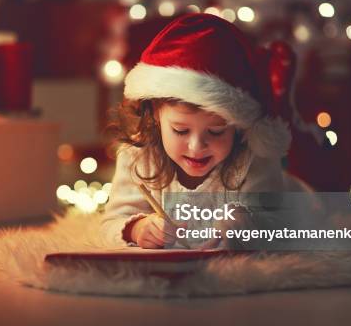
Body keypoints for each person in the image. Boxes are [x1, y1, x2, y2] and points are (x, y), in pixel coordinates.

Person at [102, 13, 309, 249]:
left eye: (216, 132)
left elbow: (279, 224)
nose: (196, 146)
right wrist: (137, 229)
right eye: (180, 131)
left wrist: (249, 225)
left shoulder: (254, 156)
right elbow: (110, 222)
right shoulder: (138, 155)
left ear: (238, 126)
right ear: (156, 115)